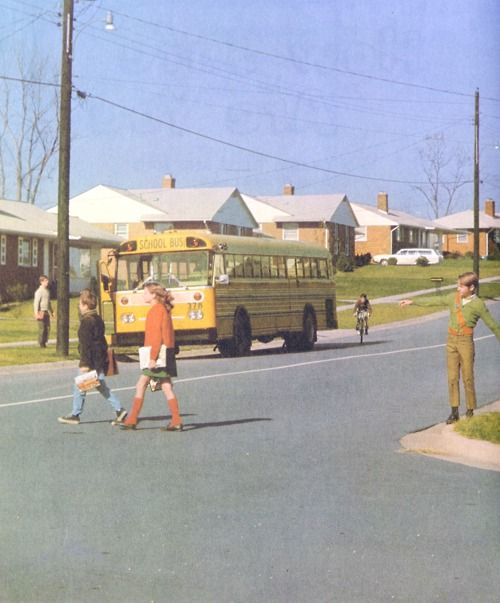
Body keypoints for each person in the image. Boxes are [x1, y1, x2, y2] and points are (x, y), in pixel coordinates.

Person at [400, 272, 500, 424]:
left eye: (461, 286)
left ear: (472, 287)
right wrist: (413, 301)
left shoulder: (478, 304)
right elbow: (434, 300)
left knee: (468, 377)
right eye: (458, 285)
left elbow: (492, 324)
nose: (458, 288)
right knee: (452, 377)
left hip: (466, 342)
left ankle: (470, 410)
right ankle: (454, 411)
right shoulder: (453, 298)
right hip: (451, 341)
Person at [58, 289, 127, 425]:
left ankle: (75, 414)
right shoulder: (98, 319)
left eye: (80, 303)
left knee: (79, 385)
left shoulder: (86, 322)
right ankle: (119, 410)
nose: (78, 306)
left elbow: (85, 345)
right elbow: (101, 341)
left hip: (89, 361)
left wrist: (85, 364)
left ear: (85, 305)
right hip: (98, 359)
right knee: (101, 386)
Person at [120, 282, 182, 432]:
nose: (143, 295)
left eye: (145, 292)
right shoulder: (163, 309)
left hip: (157, 354)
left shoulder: (155, 311)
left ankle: (132, 419)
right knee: (166, 386)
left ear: (154, 295)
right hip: (166, 352)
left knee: (141, 385)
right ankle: (176, 419)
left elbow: (156, 337)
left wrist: (152, 358)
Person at [33, 275, 54, 348]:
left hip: (46, 312)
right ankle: (41, 343)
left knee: (47, 327)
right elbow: (36, 303)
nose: (47, 282)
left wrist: (52, 312)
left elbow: (49, 303)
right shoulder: (39, 291)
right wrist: (36, 313)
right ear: (41, 282)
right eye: (45, 281)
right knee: (42, 328)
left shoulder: (47, 291)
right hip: (40, 312)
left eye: (47, 281)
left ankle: (45, 341)